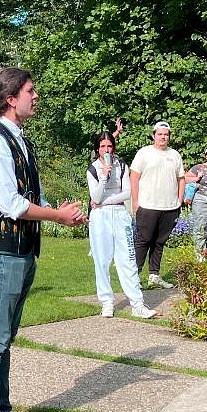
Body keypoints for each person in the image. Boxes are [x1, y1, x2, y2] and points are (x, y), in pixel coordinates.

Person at [0, 67, 86, 412]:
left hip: (19, 254)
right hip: (0, 255)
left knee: (4, 340)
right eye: (31, 91)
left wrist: (57, 209)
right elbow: (12, 205)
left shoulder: (19, 142)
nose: (36, 97)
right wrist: (57, 217)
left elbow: (28, 195)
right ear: (10, 98)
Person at [87, 132, 157, 318]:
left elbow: (127, 193)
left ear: (113, 147)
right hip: (99, 217)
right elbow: (95, 197)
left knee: (127, 259)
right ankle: (107, 302)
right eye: (102, 146)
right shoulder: (93, 169)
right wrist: (103, 177)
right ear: (97, 149)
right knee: (101, 260)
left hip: (119, 214)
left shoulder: (122, 166)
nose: (106, 150)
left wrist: (106, 201)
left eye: (109, 146)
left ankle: (137, 303)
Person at [130, 121, 185, 289]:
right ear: (154, 135)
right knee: (144, 240)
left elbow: (181, 178)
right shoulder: (144, 153)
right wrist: (135, 201)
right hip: (147, 205)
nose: (163, 137)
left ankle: (154, 275)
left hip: (169, 207)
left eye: (166, 134)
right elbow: (134, 176)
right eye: (160, 134)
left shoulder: (174, 155)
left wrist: (179, 201)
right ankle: (134, 277)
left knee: (160, 242)